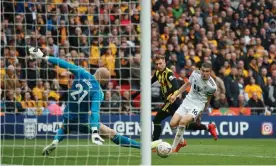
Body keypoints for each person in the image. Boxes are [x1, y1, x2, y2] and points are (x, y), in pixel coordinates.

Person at [28, 47, 161, 156]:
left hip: (68, 114)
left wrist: (44, 56)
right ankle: (142, 147)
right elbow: (94, 111)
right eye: (107, 80)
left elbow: (63, 63)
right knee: (111, 133)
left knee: (65, 127)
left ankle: (56, 141)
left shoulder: (82, 72)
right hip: (83, 120)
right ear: (103, 80)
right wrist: (94, 131)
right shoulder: (98, 92)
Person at [132, 55, 217, 146]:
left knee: (157, 120)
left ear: (164, 62)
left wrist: (172, 95)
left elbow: (176, 86)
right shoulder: (157, 73)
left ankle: (154, 144)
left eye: (160, 63)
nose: (159, 65)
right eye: (157, 64)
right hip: (168, 101)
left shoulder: (169, 74)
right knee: (181, 124)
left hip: (173, 101)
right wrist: (136, 93)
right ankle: (207, 127)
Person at [169, 62, 218, 153]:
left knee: (183, 121)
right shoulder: (195, 73)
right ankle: (182, 142)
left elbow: (208, 100)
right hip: (187, 101)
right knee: (172, 124)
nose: (204, 73)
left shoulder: (212, 86)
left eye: (207, 71)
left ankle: (173, 148)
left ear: (210, 72)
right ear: (200, 70)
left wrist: (201, 113)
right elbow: (187, 84)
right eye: (203, 70)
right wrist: (175, 95)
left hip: (198, 105)